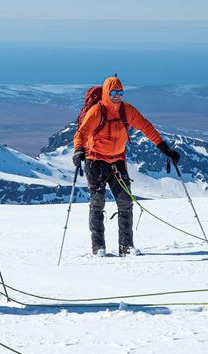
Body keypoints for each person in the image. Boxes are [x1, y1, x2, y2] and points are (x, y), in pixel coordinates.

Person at [72, 75, 181, 257]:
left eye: (120, 92)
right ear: (107, 93)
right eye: (113, 92)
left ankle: (126, 246)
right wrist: (78, 151)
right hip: (95, 161)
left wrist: (165, 149)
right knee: (97, 203)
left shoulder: (127, 110)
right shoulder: (97, 111)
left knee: (125, 203)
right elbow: (81, 133)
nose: (117, 96)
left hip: (117, 161)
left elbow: (146, 127)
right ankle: (98, 247)